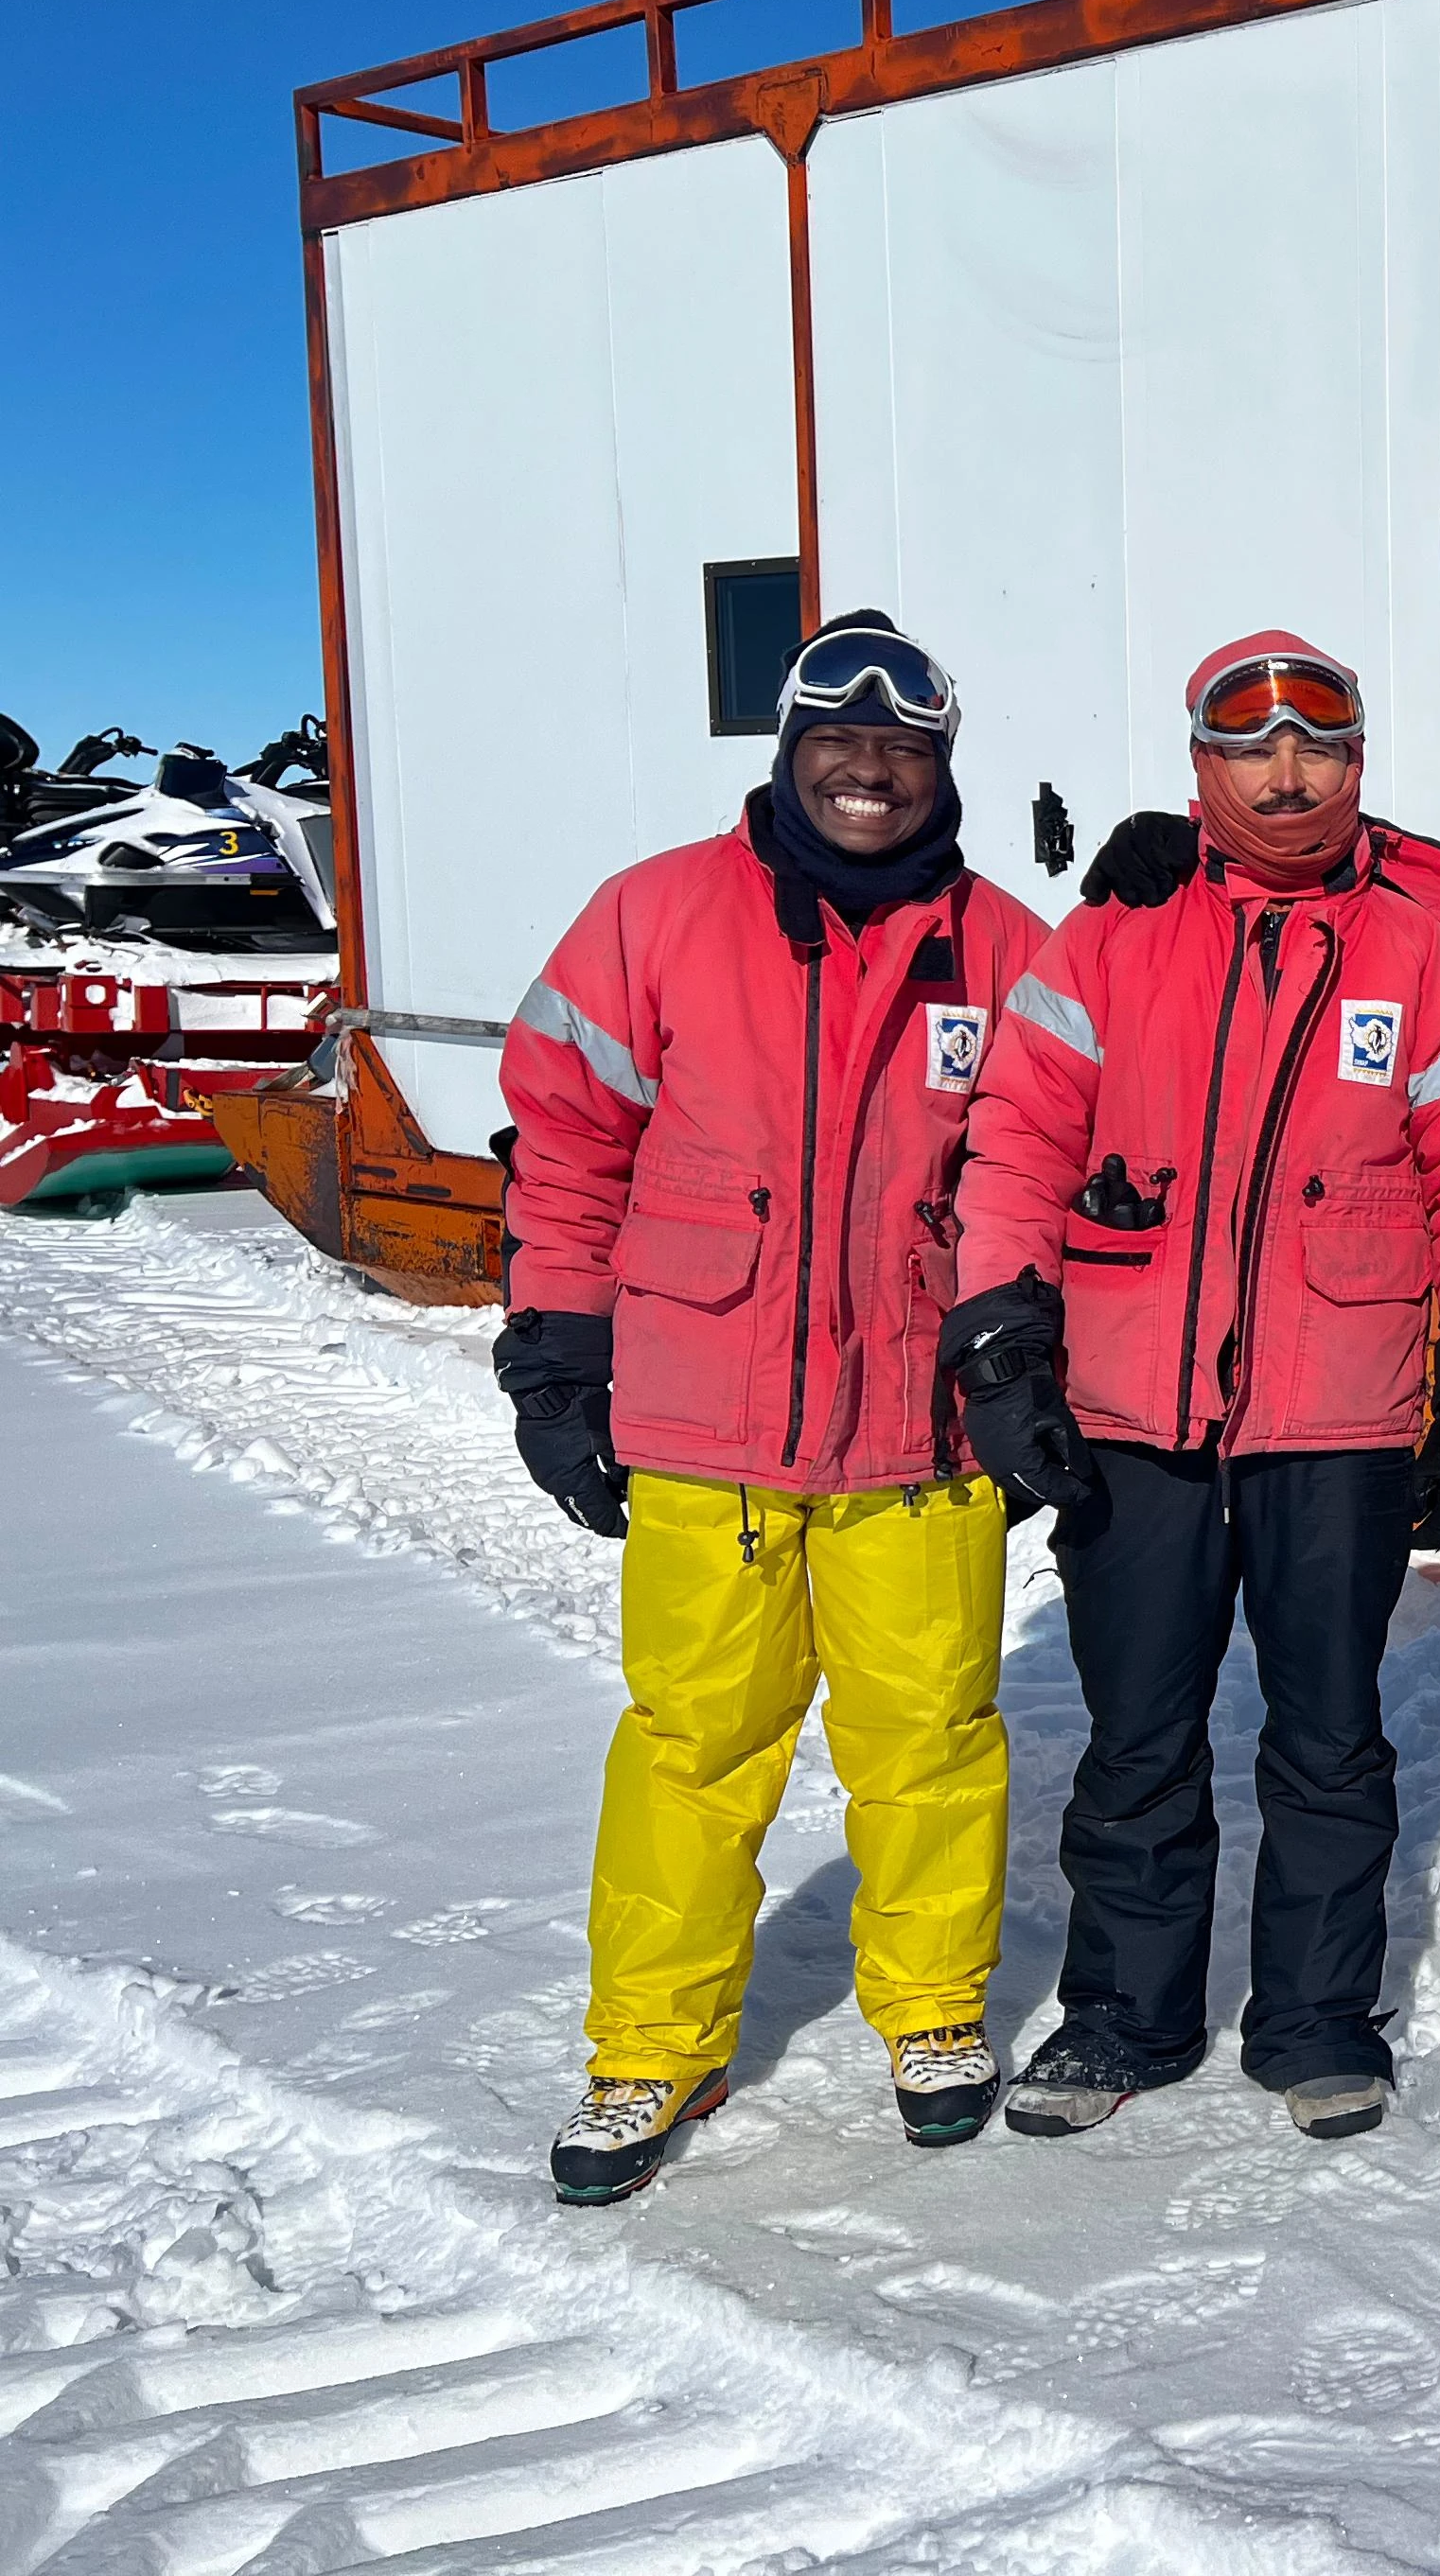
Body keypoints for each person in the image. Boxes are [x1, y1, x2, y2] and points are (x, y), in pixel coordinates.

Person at [945, 632, 1440, 2144]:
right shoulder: (1111, 939)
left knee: (1328, 1731)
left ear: (1359, 767)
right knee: (1138, 1729)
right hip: (1134, 1408)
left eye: (1318, 747)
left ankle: (1316, 2016)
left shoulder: (1419, 952)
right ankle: (1123, 2013)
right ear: (1200, 766)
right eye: (1251, 747)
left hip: (1338, 1412)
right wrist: (1003, 1334)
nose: (1287, 775)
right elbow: (1017, 1139)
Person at [496, 613, 1045, 2205]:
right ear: (791, 752)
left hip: (921, 1436)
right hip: (705, 1429)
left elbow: (1045, 1177)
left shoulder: (1006, 949)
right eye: (840, 741)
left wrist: (1026, 1375)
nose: (871, 770)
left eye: (904, 748)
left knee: (932, 1745)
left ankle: (933, 2014)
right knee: (693, 1749)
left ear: (941, 766)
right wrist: (558, 1351)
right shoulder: (655, 915)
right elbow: (566, 1151)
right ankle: (651, 2047)